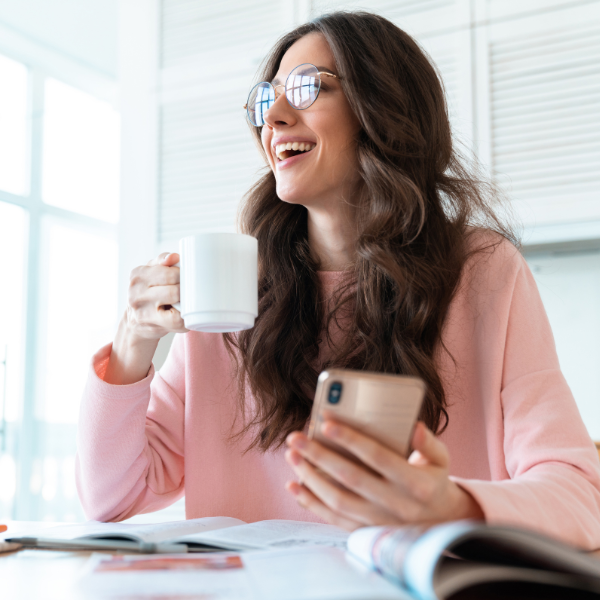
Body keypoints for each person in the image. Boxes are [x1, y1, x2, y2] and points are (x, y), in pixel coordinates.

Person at [76, 11, 600, 548]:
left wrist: (450, 504)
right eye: (266, 98)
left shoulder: (483, 273)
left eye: (305, 88)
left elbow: (581, 497)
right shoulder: (233, 287)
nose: (273, 116)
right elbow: (110, 496)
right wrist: (131, 342)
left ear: (383, 109)